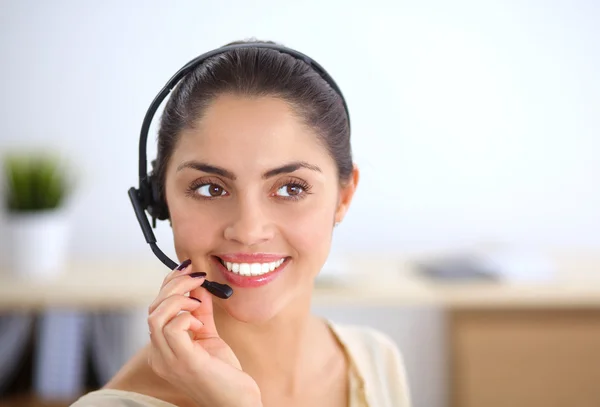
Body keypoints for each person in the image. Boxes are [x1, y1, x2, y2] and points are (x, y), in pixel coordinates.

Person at [72, 39, 411, 407]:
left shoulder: (374, 360)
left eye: (290, 188)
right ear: (160, 200)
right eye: (210, 189)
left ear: (343, 197)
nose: (249, 231)